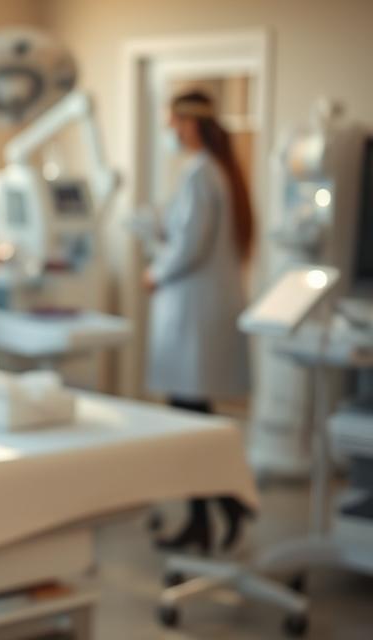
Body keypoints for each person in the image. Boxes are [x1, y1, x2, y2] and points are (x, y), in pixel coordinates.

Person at [145, 90, 254, 554]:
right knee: (196, 419)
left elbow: (190, 247)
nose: (170, 131)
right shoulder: (218, 172)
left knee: (190, 423)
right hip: (204, 312)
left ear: (190, 124)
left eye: (173, 122)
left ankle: (220, 504)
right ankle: (217, 508)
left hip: (192, 314)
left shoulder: (199, 174)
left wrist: (155, 271)